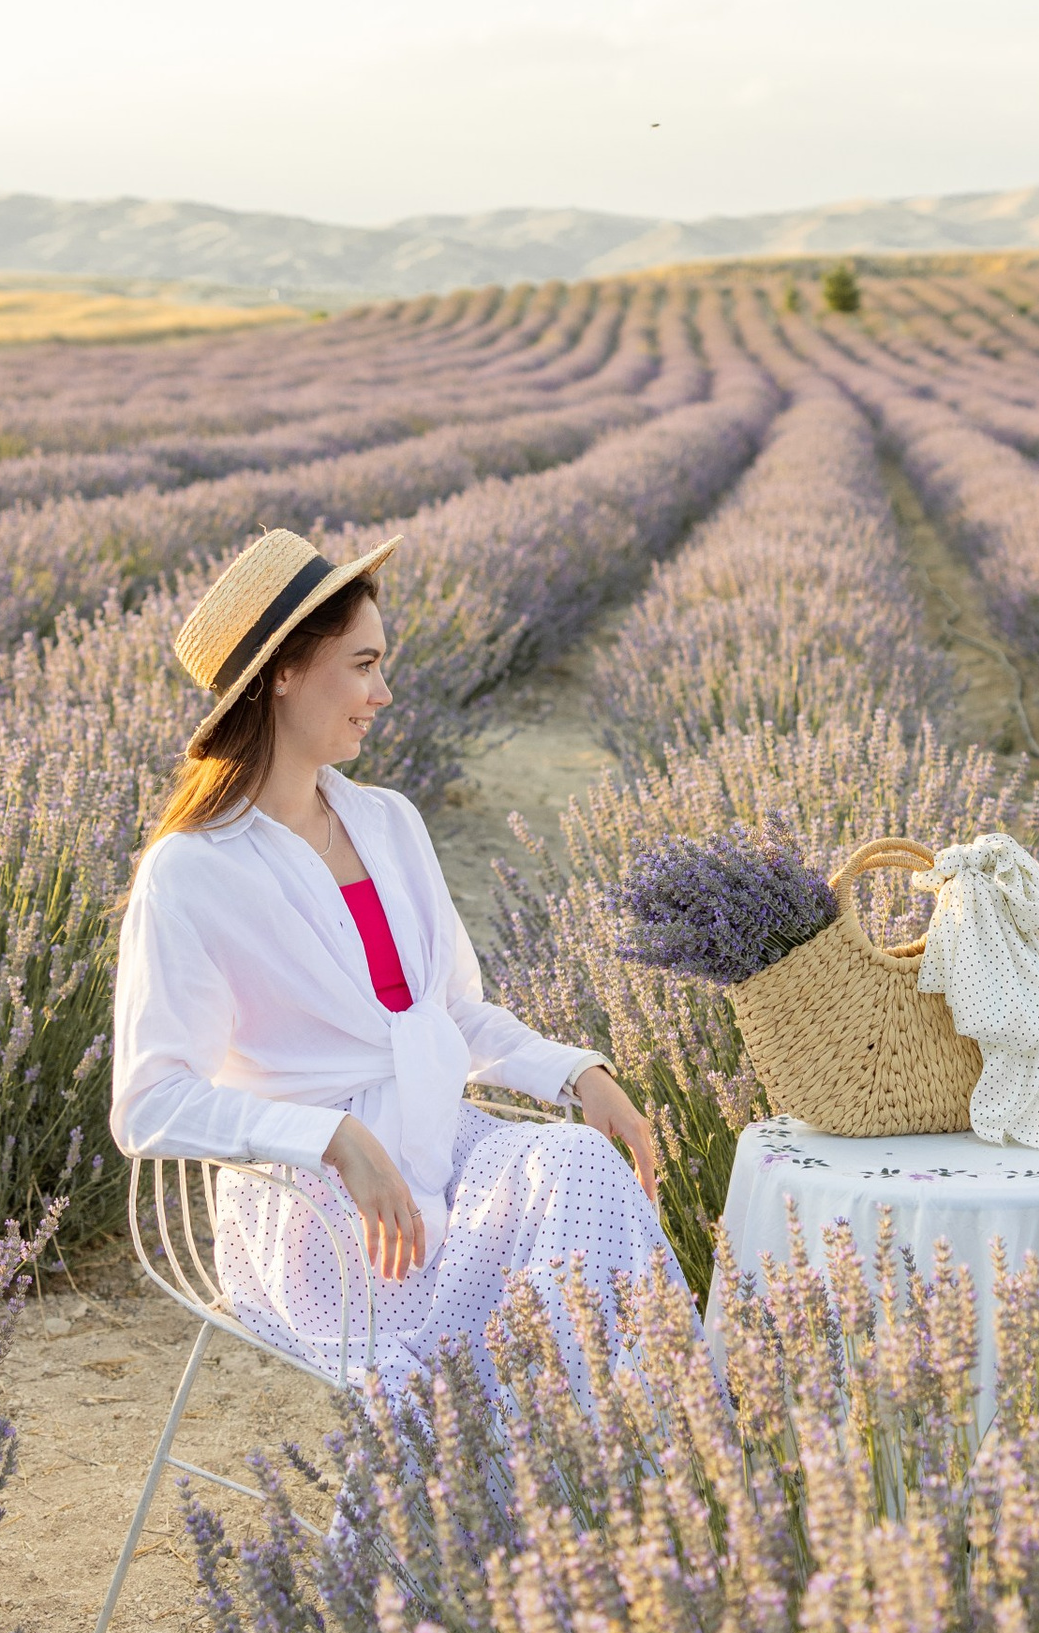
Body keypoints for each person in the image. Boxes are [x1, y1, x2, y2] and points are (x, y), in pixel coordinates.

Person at [110, 527, 675, 1400]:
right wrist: (332, 1140)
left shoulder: (388, 823)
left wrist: (578, 1074)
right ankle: (562, 1485)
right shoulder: (192, 872)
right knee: (557, 1241)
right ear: (283, 673)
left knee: (582, 1165)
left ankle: (632, 1472)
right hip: (321, 1213)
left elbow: (449, 1013)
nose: (385, 691)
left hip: (438, 1148)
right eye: (364, 664)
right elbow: (149, 1103)